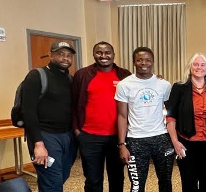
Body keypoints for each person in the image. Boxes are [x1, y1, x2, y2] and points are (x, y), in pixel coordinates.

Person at [71, 41, 130, 192]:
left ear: (113, 55)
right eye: (99, 52)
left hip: (117, 137)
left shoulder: (125, 75)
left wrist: (158, 78)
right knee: (92, 179)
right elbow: (73, 104)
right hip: (89, 136)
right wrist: (77, 131)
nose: (103, 56)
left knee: (117, 178)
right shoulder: (82, 75)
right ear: (94, 54)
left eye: (107, 52)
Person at [115, 47, 174, 192]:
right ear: (134, 62)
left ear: (152, 61)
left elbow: (171, 114)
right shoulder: (124, 85)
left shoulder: (164, 85)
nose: (144, 63)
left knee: (166, 182)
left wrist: (174, 139)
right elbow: (122, 116)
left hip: (161, 138)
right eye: (140, 60)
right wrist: (122, 144)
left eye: (147, 60)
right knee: (136, 186)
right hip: (136, 140)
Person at [21, 41, 77, 192]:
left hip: (67, 137)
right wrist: (38, 144)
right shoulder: (36, 76)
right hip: (45, 137)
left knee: (61, 176)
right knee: (52, 183)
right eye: (60, 54)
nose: (65, 58)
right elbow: (28, 111)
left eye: (69, 55)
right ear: (51, 55)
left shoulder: (70, 80)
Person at [166, 53, 206, 192]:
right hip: (186, 142)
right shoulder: (179, 87)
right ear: (190, 67)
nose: (199, 67)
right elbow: (171, 117)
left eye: (203, 65)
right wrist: (175, 142)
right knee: (188, 181)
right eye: (195, 64)